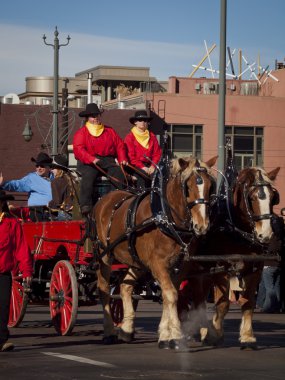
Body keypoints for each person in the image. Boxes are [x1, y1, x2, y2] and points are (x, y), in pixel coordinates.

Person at [73, 103, 128, 216]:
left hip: (107, 160)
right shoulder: (81, 132)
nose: (96, 118)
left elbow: (119, 145)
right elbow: (78, 149)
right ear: (87, 118)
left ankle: (116, 200)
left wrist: (122, 158)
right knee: (89, 175)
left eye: (97, 115)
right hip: (88, 162)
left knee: (118, 172)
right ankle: (86, 205)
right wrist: (91, 159)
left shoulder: (109, 130)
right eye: (93, 116)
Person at [0, 190, 33, 352]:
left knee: (3, 306)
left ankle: (1, 340)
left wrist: (27, 271)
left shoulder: (11, 223)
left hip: (3, 272)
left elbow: (21, 248)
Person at [124, 110, 162, 189]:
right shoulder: (129, 137)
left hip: (150, 165)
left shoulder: (152, 136)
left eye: (145, 120)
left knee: (159, 176)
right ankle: (141, 197)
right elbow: (131, 157)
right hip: (135, 166)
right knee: (143, 176)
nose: (143, 122)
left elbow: (157, 154)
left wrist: (153, 166)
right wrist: (142, 167)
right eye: (140, 120)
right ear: (135, 122)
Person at [48, 154, 79, 220]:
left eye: (53, 168)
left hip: (64, 215)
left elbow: (57, 202)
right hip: (77, 214)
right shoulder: (72, 179)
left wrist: (48, 204)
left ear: (59, 169)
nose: (51, 170)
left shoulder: (55, 182)